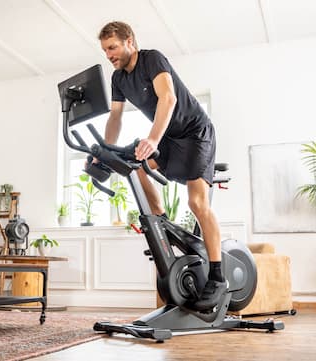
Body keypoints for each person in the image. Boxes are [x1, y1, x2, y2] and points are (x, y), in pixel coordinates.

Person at [98, 21, 226, 311]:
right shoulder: (118, 78)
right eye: (105, 50)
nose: (109, 55)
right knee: (134, 164)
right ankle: (161, 220)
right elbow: (115, 118)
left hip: (195, 134)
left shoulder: (151, 58)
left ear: (129, 41)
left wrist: (153, 139)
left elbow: (168, 98)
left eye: (113, 47)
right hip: (169, 137)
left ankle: (218, 277)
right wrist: (105, 151)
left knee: (197, 202)